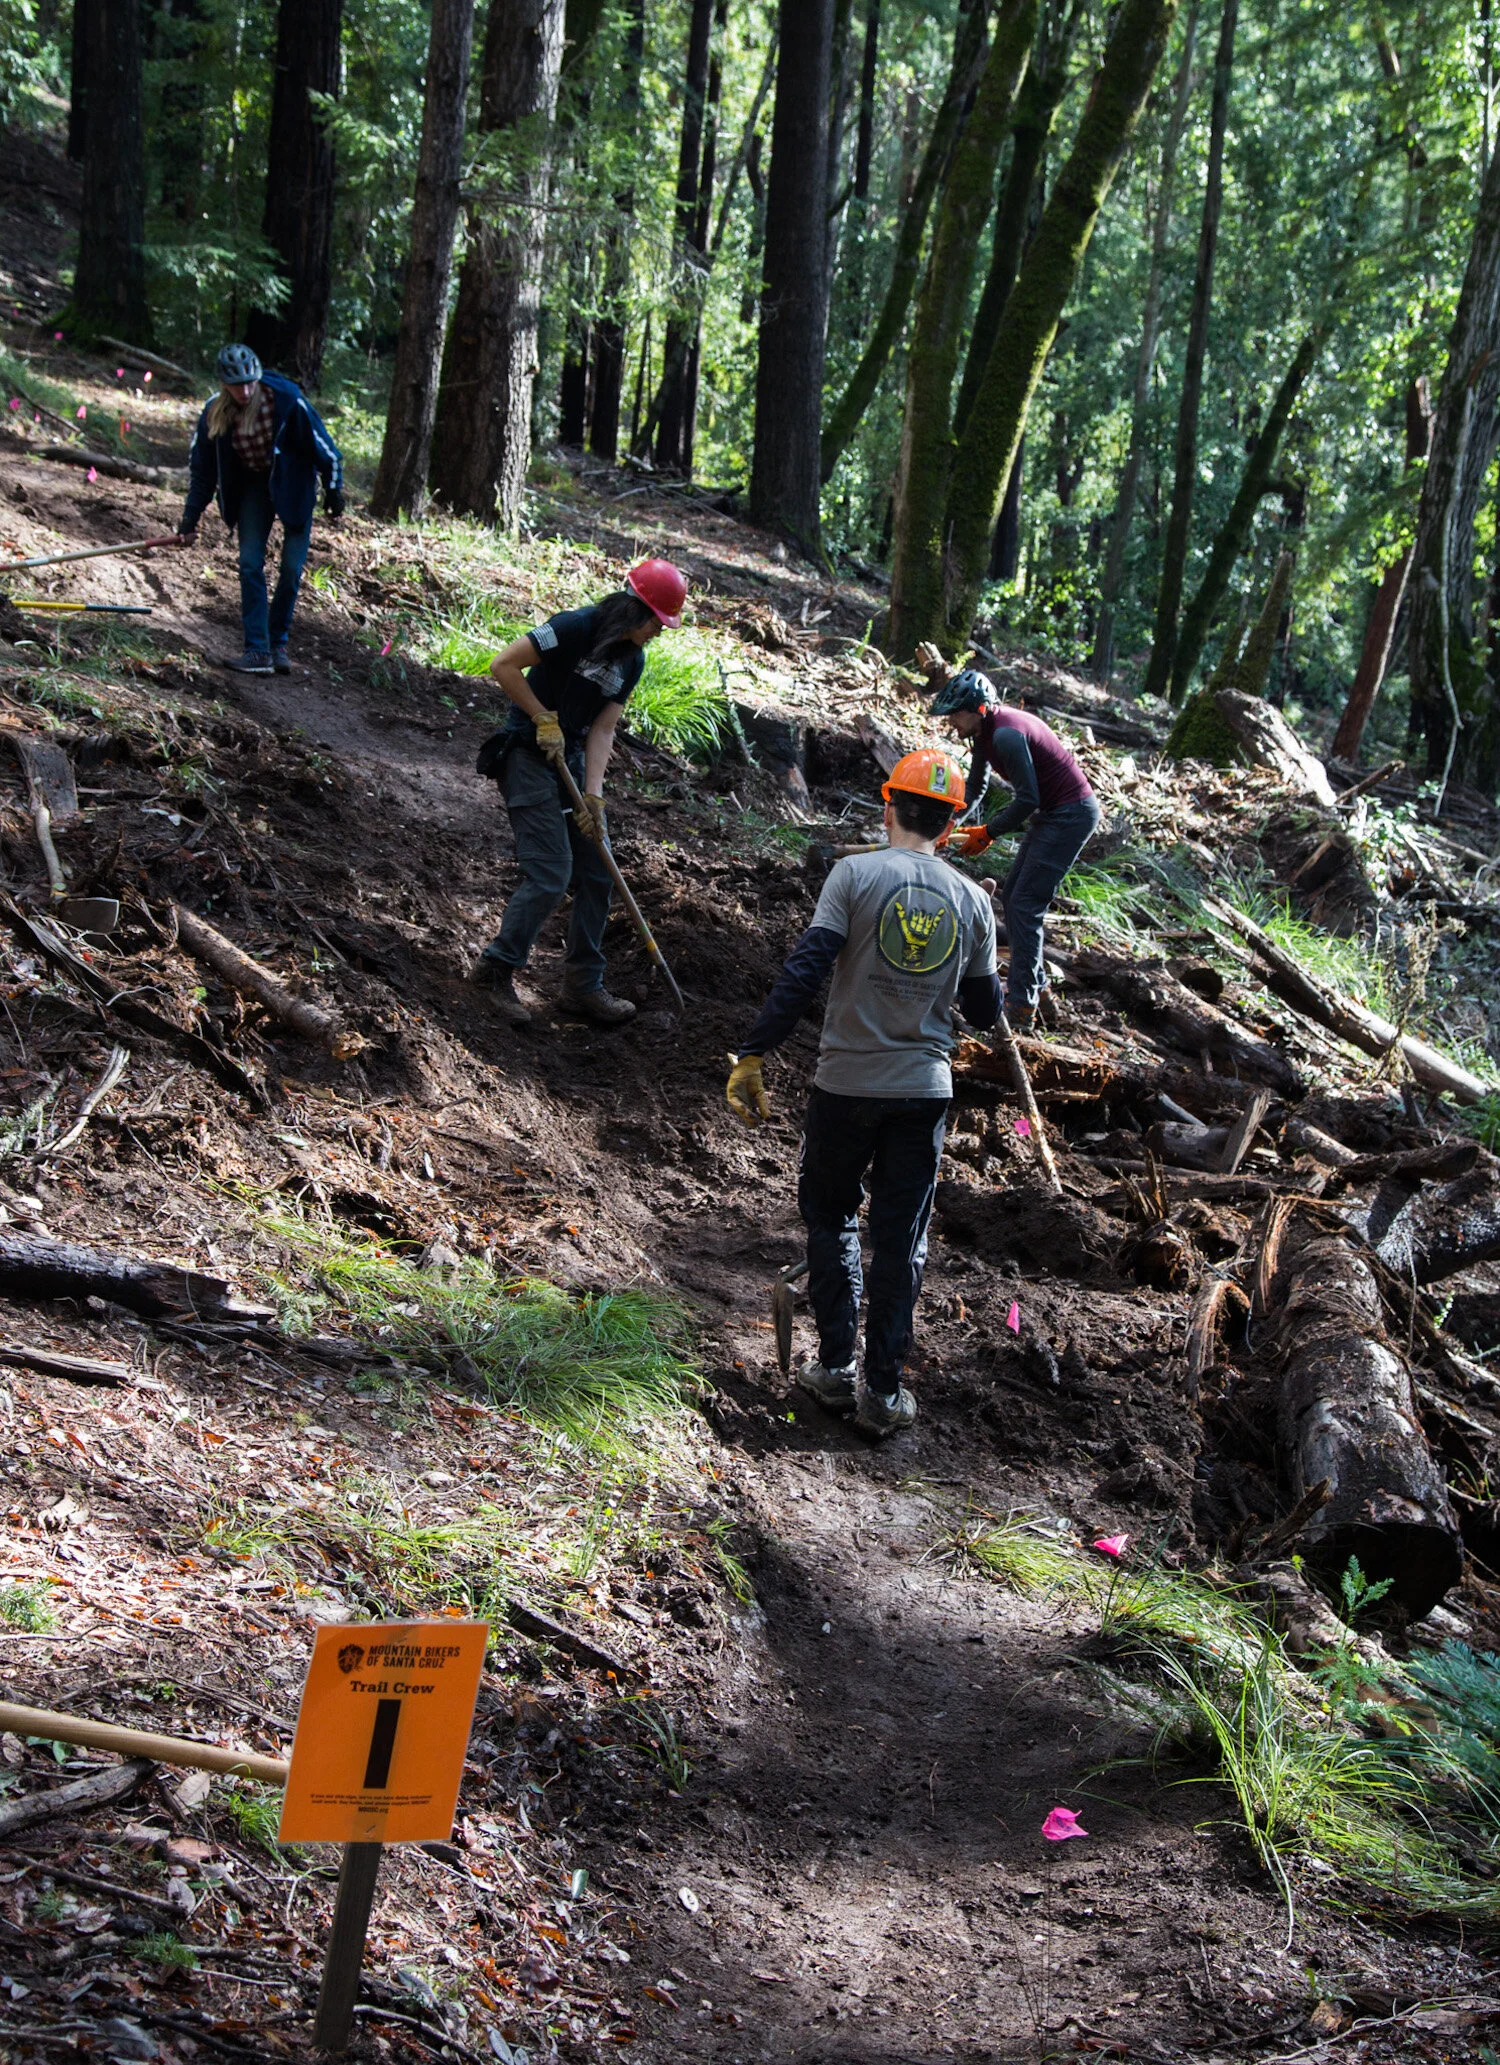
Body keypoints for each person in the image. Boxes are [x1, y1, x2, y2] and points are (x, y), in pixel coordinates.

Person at [726, 750, 999, 1439]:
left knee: (832, 1215)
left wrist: (756, 1050)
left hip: (844, 1082)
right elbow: (986, 1008)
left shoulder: (853, 874)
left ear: (888, 807)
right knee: (900, 1238)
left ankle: (835, 1368)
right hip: (923, 1090)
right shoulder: (973, 900)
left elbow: (806, 968)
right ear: (953, 821)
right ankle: (882, 1391)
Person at [472, 558, 688, 1028]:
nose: (659, 631)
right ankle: (495, 970)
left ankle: (582, 986)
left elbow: (604, 729)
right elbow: (503, 665)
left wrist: (594, 797)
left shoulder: (632, 661)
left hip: (568, 762)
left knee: (597, 868)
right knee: (551, 872)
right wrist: (540, 717)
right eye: (657, 621)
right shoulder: (573, 627)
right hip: (527, 755)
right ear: (636, 608)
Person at [919, 648, 1100, 1036]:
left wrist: (988, 833)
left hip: (1069, 814)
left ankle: (1021, 1006)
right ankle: (1035, 988)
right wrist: (951, 823)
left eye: (956, 714)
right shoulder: (985, 736)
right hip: (1053, 813)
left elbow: (1028, 798)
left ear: (978, 709)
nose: (952, 723)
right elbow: (977, 785)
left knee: (1025, 903)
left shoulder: (1005, 735)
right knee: (1013, 894)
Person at [176, 343, 345, 677]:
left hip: (293, 482)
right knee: (250, 562)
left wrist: (334, 488)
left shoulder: (285, 400)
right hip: (253, 486)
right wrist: (190, 518)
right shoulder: (215, 413)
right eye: (237, 385)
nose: (245, 390)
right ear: (224, 384)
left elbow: (325, 446)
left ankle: (278, 643)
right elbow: (203, 471)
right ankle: (257, 650)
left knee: (291, 569)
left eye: (250, 382)